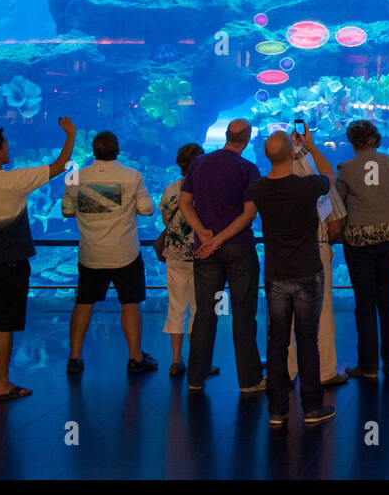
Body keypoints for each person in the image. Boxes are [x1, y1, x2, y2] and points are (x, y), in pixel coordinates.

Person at [0, 117, 77, 403]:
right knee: (5, 325)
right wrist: (70, 135)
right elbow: (59, 167)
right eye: (5, 145)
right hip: (11, 264)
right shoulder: (15, 179)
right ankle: (3, 384)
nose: (9, 148)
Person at [248, 129, 335, 426]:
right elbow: (329, 175)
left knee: (276, 342)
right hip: (307, 270)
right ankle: (312, 407)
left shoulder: (257, 188)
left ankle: (277, 409)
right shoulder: (307, 186)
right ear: (290, 154)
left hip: (275, 274)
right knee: (307, 340)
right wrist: (309, 148)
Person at [62, 131, 157, 375]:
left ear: (94, 151)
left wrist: (95, 205)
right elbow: (147, 210)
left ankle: (74, 358)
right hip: (124, 252)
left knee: (84, 303)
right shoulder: (132, 176)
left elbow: (66, 211)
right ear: (117, 150)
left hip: (91, 254)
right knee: (130, 303)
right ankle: (136, 358)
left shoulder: (74, 178)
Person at [180, 119, 264, 395]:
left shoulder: (199, 164)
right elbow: (249, 214)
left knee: (206, 312)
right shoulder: (248, 168)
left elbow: (184, 204)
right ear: (247, 139)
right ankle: (249, 380)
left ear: (227, 135)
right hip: (238, 248)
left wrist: (204, 233)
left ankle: (196, 376)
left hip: (206, 251)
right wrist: (218, 238)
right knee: (243, 314)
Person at [335, 119, 389, 379]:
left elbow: (339, 205)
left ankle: (368, 366)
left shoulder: (345, 168)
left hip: (359, 240)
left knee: (365, 303)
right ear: (376, 139)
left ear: (352, 141)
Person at [286, 136, 348, 389]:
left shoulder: (273, 186)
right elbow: (336, 228)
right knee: (322, 311)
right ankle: (325, 371)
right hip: (317, 249)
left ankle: (287, 372)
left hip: (283, 252)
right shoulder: (321, 187)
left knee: (284, 315)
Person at [157, 142, 204, 376]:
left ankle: (176, 360)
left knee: (176, 307)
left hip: (174, 255)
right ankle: (198, 362)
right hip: (200, 255)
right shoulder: (206, 189)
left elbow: (166, 219)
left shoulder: (170, 189)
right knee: (198, 309)